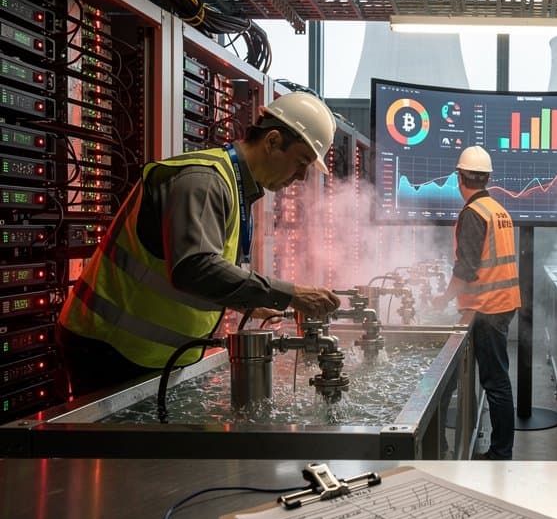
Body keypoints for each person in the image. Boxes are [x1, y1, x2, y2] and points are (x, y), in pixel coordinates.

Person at [57, 91, 343, 397]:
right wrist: (289, 295)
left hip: (146, 353)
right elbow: (193, 268)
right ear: (272, 141)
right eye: (301, 162)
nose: (301, 177)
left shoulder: (234, 185)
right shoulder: (205, 180)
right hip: (109, 345)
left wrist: (244, 298)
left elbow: (185, 268)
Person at [433, 146, 521, 459]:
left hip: (487, 307)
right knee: (495, 381)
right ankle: (494, 449)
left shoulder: (473, 213)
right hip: (502, 303)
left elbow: (466, 270)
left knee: (495, 384)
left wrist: (442, 300)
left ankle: (500, 453)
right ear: (486, 178)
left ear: (460, 178)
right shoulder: (498, 210)